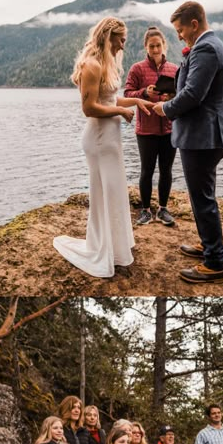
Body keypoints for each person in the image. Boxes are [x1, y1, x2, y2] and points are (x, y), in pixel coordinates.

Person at [53, 16, 153, 278]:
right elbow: (89, 108)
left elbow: (109, 96)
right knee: (105, 193)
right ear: (109, 36)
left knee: (115, 191)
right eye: (121, 40)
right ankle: (103, 250)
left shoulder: (104, 64)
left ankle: (117, 248)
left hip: (111, 139)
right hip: (98, 139)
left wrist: (136, 102)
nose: (123, 46)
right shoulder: (92, 65)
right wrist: (120, 111)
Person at [152, 1, 223, 284]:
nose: (179, 36)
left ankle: (214, 263)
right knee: (201, 195)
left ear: (194, 24)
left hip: (202, 137)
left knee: (202, 197)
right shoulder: (209, 46)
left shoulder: (207, 48)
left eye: (181, 29)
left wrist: (166, 108)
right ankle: (207, 245)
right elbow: (191, 88)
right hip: (203, 136)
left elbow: (193, 95)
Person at [124, 26, 178, 227]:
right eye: (151, 46)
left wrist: (170, 97)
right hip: (145, 130)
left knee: (167, 170)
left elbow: (180, 95)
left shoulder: (174, 69)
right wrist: (144, 93)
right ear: (145, 47)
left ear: (164, 45)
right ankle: (145, 211)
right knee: (147, 171)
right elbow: (127, 94)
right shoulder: (137, 69)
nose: (155, 50)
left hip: (169, 128)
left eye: (158, 46)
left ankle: (163, 209)